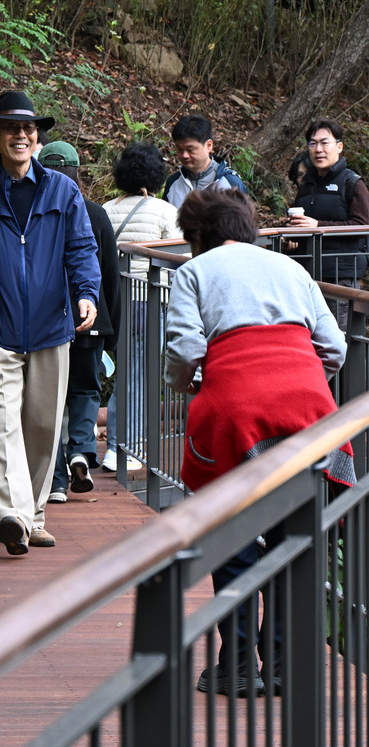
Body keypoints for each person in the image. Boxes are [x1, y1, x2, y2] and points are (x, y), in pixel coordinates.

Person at [165, 188, 352, 695]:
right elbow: (333, 348)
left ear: (198, 234)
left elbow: (184, 350)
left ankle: (238, 667)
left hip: (235, 411)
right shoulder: (291, 269)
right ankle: (284, 663)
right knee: (295, 539)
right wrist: (300, 382)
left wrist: (189, 385)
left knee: (235, 541)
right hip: (306, 410)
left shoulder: (194, 272)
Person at [0, 91, 100, 555]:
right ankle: (13, 516)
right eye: (11, 129)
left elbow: (82, 248)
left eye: (28, 129)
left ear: (37, 137)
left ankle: (34, 515)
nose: (21, 136)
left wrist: (86, 293)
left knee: (41, 428)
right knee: (2, 426)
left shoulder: (63, 191)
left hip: (51, 328)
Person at [38, 141, 121, 502]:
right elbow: (110, 275)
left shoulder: (36, 214)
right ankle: (82, 451)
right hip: (91, 319)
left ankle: (56, 481)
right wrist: (112, 329)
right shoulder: (95, 214)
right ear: (77, 173)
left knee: (49, 398)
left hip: (47, 322)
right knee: (86, 390)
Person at [103, 142, 181, 473]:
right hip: (147, 302)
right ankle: (123, 447)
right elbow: (180, 258)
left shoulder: (106, 209)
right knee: (139, 375)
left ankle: (118, 444)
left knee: (125, 372)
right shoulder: (164, 211)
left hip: (112, 303)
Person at [289, 117, 369, 329]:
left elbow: (362, 226)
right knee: (309, 336)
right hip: (307, 275)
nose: (318, 149)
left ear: (339, 147)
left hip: (340, 277)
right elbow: (305, 226)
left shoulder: (352, 183)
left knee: (337, 336)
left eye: (325, 143)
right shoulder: (306, 185)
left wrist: (318, 226)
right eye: (313, 144)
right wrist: (292, 237)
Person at [163, 114, 246, 207]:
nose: (184, 155)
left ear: (209, 145)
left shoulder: (230, 184)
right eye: (179, 149)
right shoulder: (173, 183)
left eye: (190, 150)